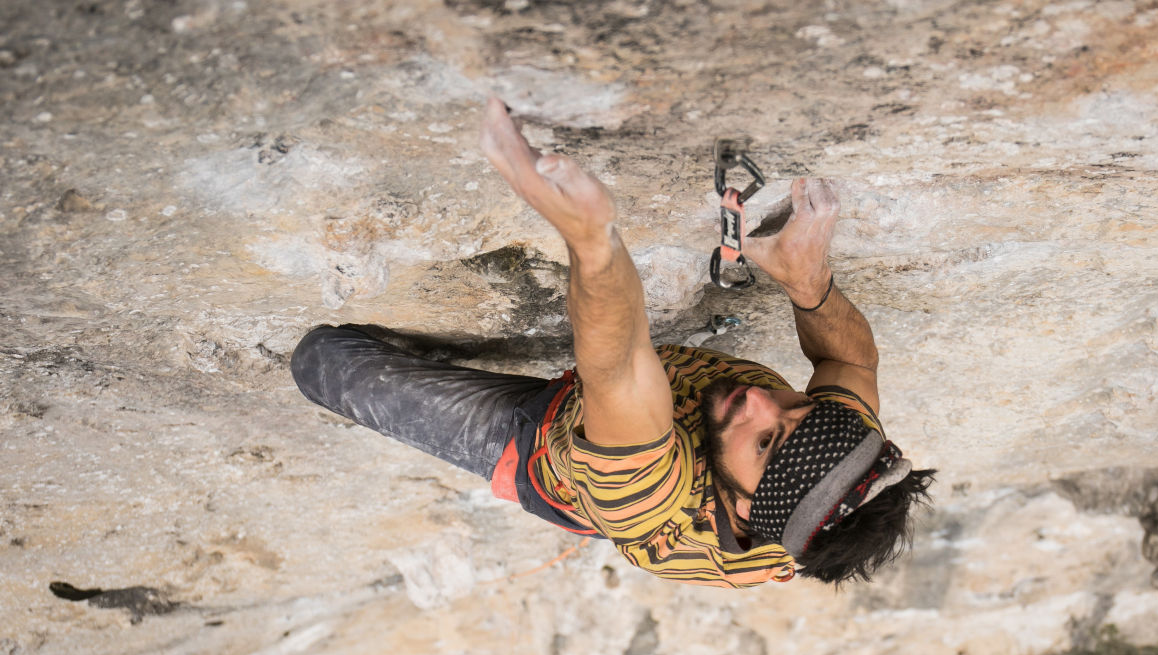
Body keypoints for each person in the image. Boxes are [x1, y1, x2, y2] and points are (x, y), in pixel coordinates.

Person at [290, 98, 936, 588]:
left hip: (543, 447)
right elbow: (848, 360)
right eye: (797, 409)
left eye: (764, 440)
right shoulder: (837, 463)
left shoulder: (653, 496)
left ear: (740, 506)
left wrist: (590, 238)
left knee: (324, 361)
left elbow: (621, 365)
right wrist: (808, 281)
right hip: (638, 411)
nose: (762, 402)